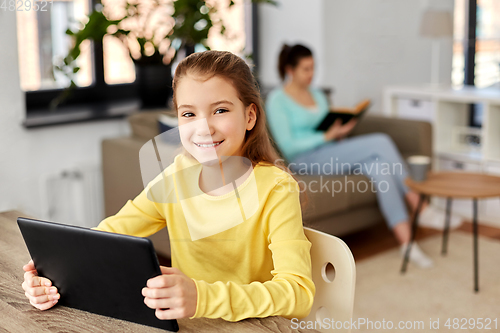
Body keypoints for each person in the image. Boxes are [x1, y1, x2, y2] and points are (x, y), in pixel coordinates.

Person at [21, 50, 315, 322]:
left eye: (220, 110)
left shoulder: (276, 188)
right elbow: (108, 237)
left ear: (249, 115)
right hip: (191, 324)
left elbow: (299, 293)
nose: (204, 127)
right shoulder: (177, 176)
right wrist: (54, 272)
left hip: (254, 326)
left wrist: (202, 297)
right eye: (189, 114)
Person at [266, 44, 459, 269]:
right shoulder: (277, 100)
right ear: (290, 70)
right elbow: (288, 146)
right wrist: (326, 137)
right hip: (304, 159)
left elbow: (325, 127)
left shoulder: (317, 94)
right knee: (380, 142)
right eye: (305, 69)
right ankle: (420, 206)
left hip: (330, 150)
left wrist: (339, 132)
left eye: (313, 68)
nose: (311, 74)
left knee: (379, 167)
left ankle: (407, 244)